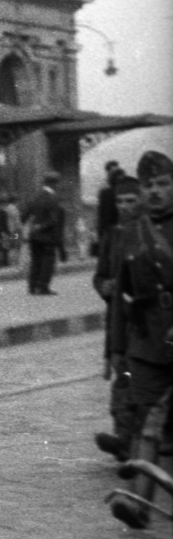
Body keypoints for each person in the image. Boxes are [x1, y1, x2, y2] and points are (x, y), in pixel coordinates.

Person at [111, 151, 173, 474]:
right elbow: (122, 297)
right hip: (147, 343)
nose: (155, 191)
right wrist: (117, 349)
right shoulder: (131, 233)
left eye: (162, 183)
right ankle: (138, 501)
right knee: (147, 420)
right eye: (149, 185)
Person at [93, 174, 143, 460]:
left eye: (130, 201)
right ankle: (124, 440)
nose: (125, 206)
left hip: (146, 320)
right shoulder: (112, 235)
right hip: (119, 321)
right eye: (120, 201)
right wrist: (104, 285)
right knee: (122, 379)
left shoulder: (151, 230)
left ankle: (136, 442)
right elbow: (99, 274)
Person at [21, 172, 66, 295]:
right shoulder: (54, 198)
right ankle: (42, 287)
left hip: (34, 236)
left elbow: (23, 216)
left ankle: (32, 287)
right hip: (48, 236)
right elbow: (54, 220)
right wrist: (41, 226)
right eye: (57, 183)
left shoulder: (35, 196)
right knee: (48, 262)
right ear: (54, 183)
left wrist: (32, 227)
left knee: (36, 261)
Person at [95, 161, 123, 253]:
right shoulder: (104, 187)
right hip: (111, 229)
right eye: (112, 168)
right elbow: (102, 212)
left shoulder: (124, 187)